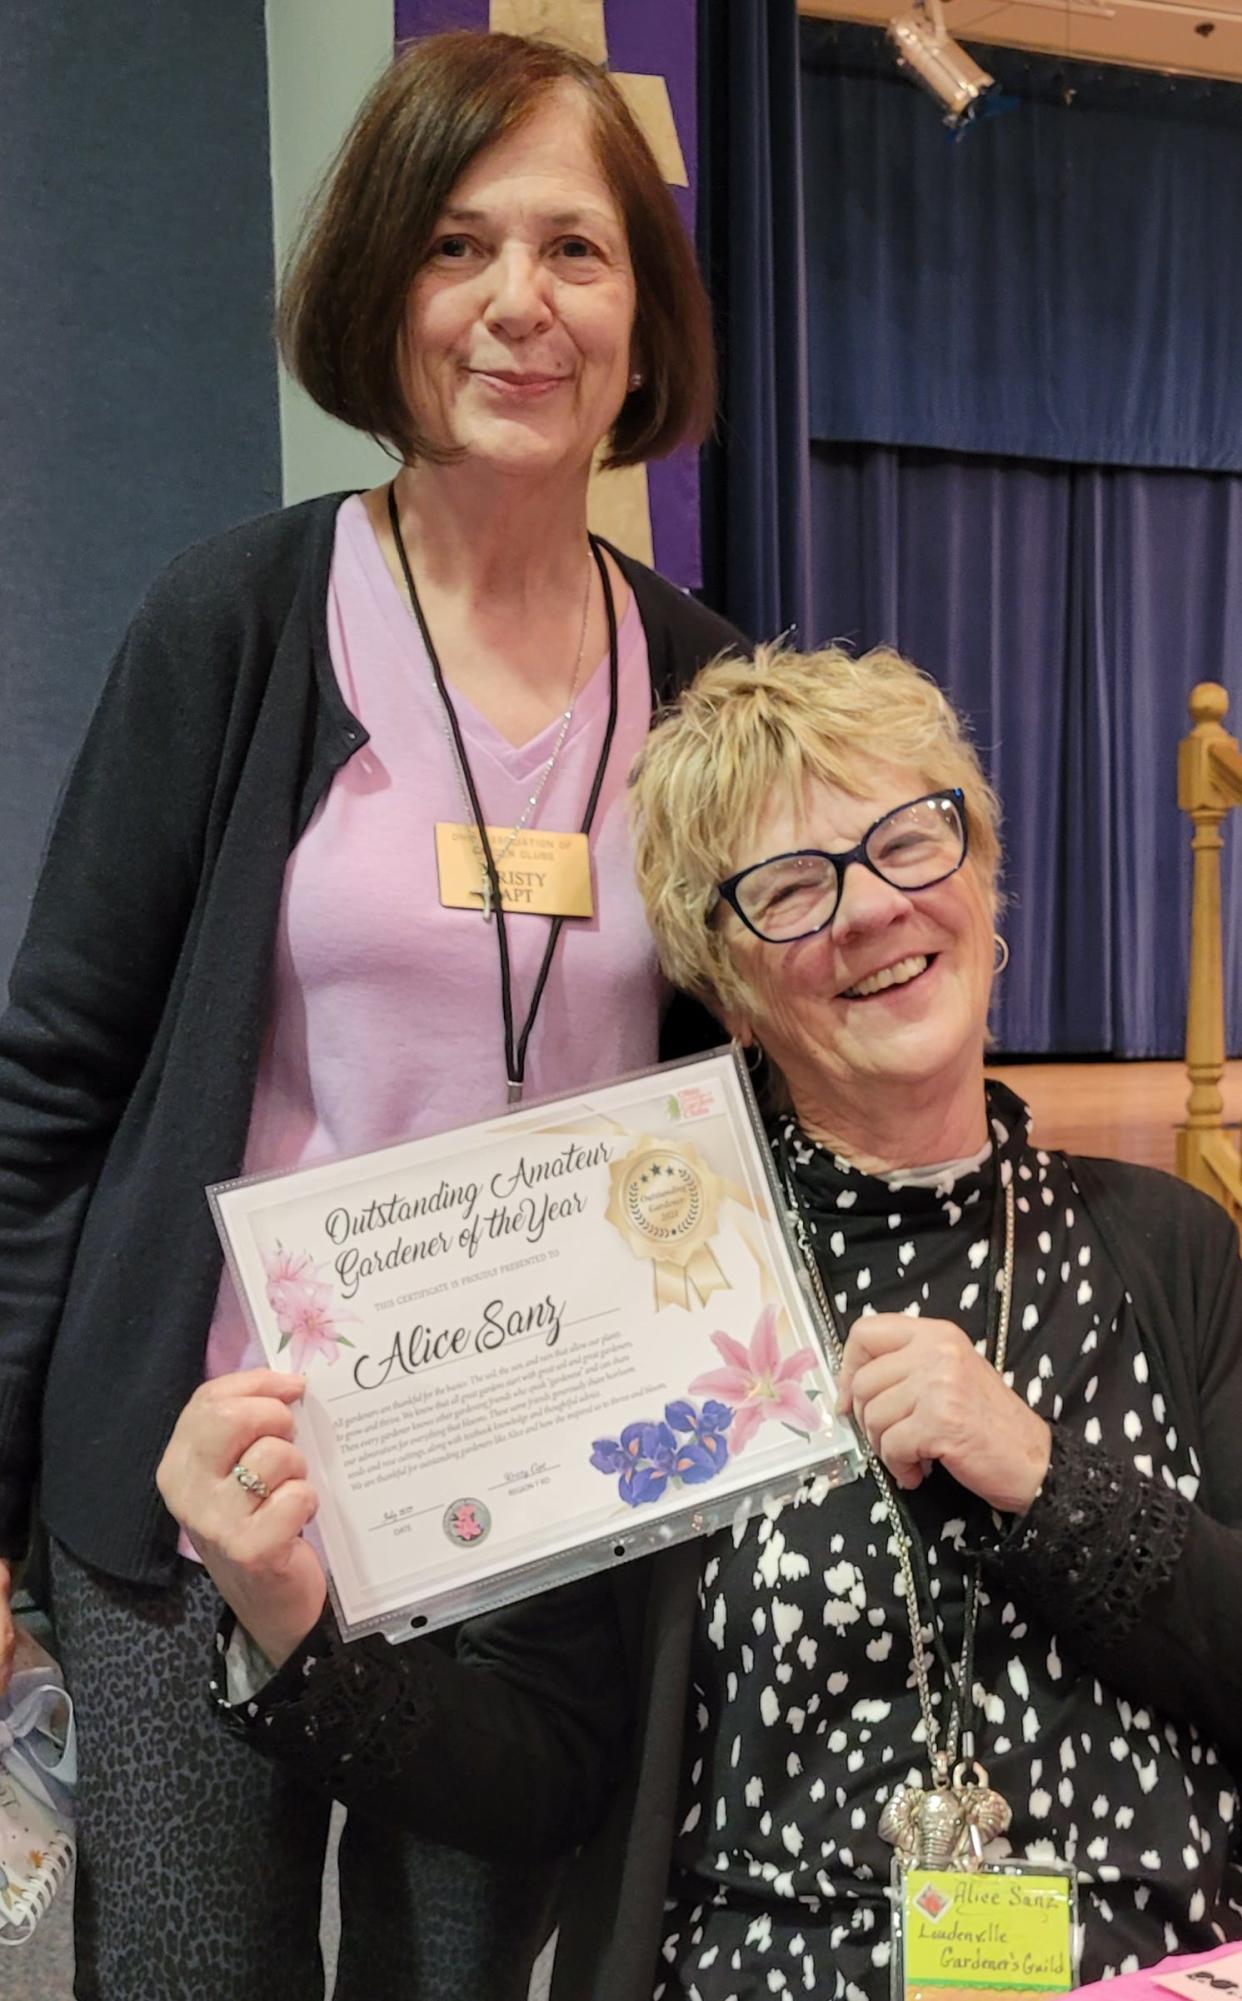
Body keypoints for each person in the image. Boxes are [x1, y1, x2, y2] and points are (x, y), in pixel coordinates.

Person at [160, 642, 1242, 2001]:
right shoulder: (654, 1284)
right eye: (790, 887)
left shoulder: (1170, 1245)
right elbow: (545, 1768)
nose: (869, 909)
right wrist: (287, 1617)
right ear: (725, 987)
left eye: (909, 839)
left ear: (979, 874)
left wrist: (1041, 1477)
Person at [0, 29, 743, 2001]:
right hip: (200, 1489)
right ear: (379, 295)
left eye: (575, 250)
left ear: (643, 311)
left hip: (530, 1517)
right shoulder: (234, 621)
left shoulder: (710, 693)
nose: (518, 302)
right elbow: (49, 1082)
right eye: (454, 245)